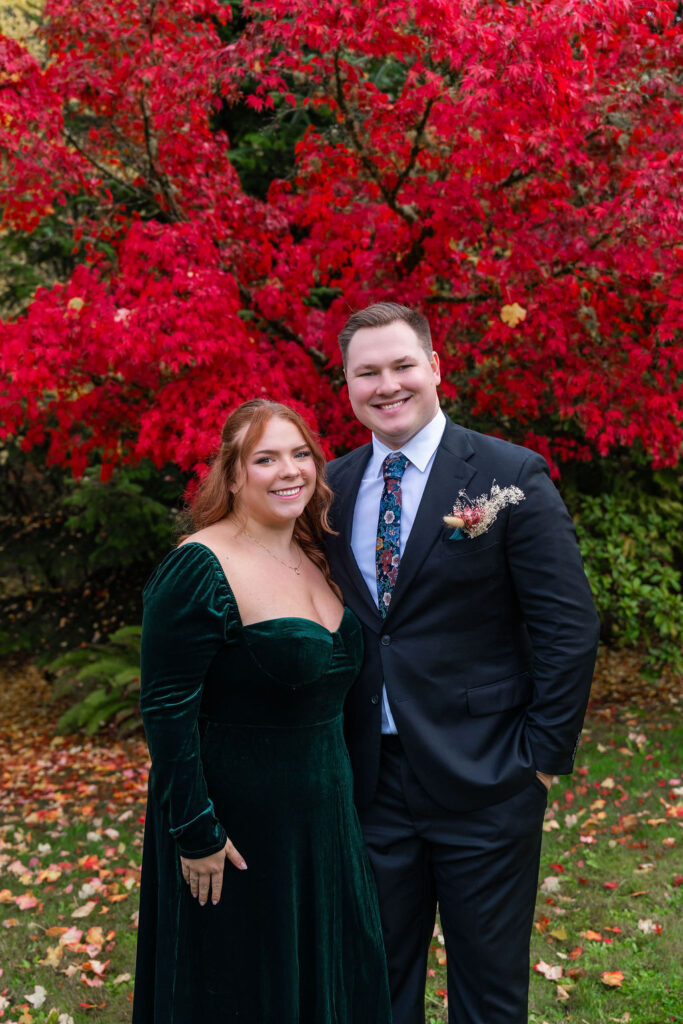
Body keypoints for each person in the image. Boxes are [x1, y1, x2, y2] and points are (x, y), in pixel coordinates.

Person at [325, 302, 600, 1024]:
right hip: (370, 783)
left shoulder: (508, 475)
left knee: (488, 992)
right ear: (347, 385)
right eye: (367, 372)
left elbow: (567, 627)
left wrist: (540, 756)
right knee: (374, 986)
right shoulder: (330, 488)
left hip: (488, 777)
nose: (386, 385)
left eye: (401, 366)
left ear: (434, 369)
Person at [132, 399, 391, 1024]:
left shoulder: (322, 557)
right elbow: (167, 710)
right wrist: (195, 832)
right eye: (266, 458)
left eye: (300, 454)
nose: (288, 471)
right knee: (240, 990)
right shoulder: (199, 565)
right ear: (234, 472)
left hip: (325, 825)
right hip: (236, 833)